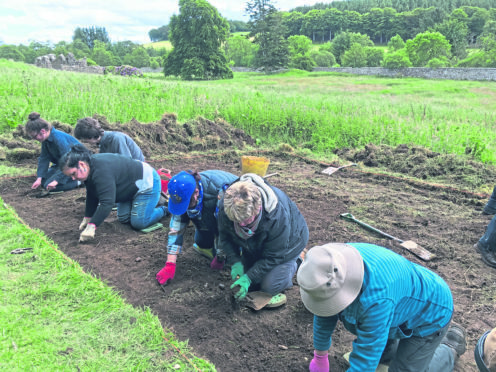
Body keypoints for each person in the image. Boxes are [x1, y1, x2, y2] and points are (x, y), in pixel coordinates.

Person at [297, 242, 467, 372]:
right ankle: (391, 351)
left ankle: (449, 349)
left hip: (431, 314)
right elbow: (324, 311)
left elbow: (365, 360)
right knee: (382, 351)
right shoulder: (331, 261)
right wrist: (320, 356)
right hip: (399, 305)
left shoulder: (375, 300)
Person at [216, 173, 309, 307]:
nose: (241, 225)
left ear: (257, 208)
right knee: (252, 282)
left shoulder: (276, 217)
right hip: (256, 244)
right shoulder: (228, 205)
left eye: (246, 220)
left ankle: (298, 259)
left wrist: (248, 277)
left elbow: (273, 257)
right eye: (236, 221)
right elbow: (224, 237)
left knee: (269, 287)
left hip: (289, 244)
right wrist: (235, 262)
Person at [60, 144, 167, 242]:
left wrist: (92, 226)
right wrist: (87, 217)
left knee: (139, 223)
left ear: (81, 164)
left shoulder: (101, 172)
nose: (73, 178)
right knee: (124, 218)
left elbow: (107, 203)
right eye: (70, 176)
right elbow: (92, 194)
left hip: (147, 183)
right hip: (129, 187)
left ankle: (165, 208)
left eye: (73, 174)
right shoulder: (90, 168)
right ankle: (144, 203)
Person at [155, 169, 238, 286]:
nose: (184, 208)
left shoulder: (220, 195)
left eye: (186, 205)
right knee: (201, 243)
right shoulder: (181, 192)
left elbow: (225, 228)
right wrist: (170, 264)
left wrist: (220, 256)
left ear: (196, 193)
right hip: (209, 213)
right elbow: (176, 228)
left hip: (233, 217)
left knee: (229, 258)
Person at [25, 112, 82, 192]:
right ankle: (73, 179)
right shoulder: (45, 140)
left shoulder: (58, 139)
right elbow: (44, 158)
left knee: (50, 187)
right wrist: (39, 178)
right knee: (44, 182)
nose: (34, 139)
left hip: (76, 164)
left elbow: (69, 161)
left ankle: (80, 181)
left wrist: (57, 181)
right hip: (61, 164)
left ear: (43, 131)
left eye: (35, 136)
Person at [73, 117, 145, 161]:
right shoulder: (103, 142)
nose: (85, 142)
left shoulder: (116, 139)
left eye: (85, 139)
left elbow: (127, 162)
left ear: (91, 137)